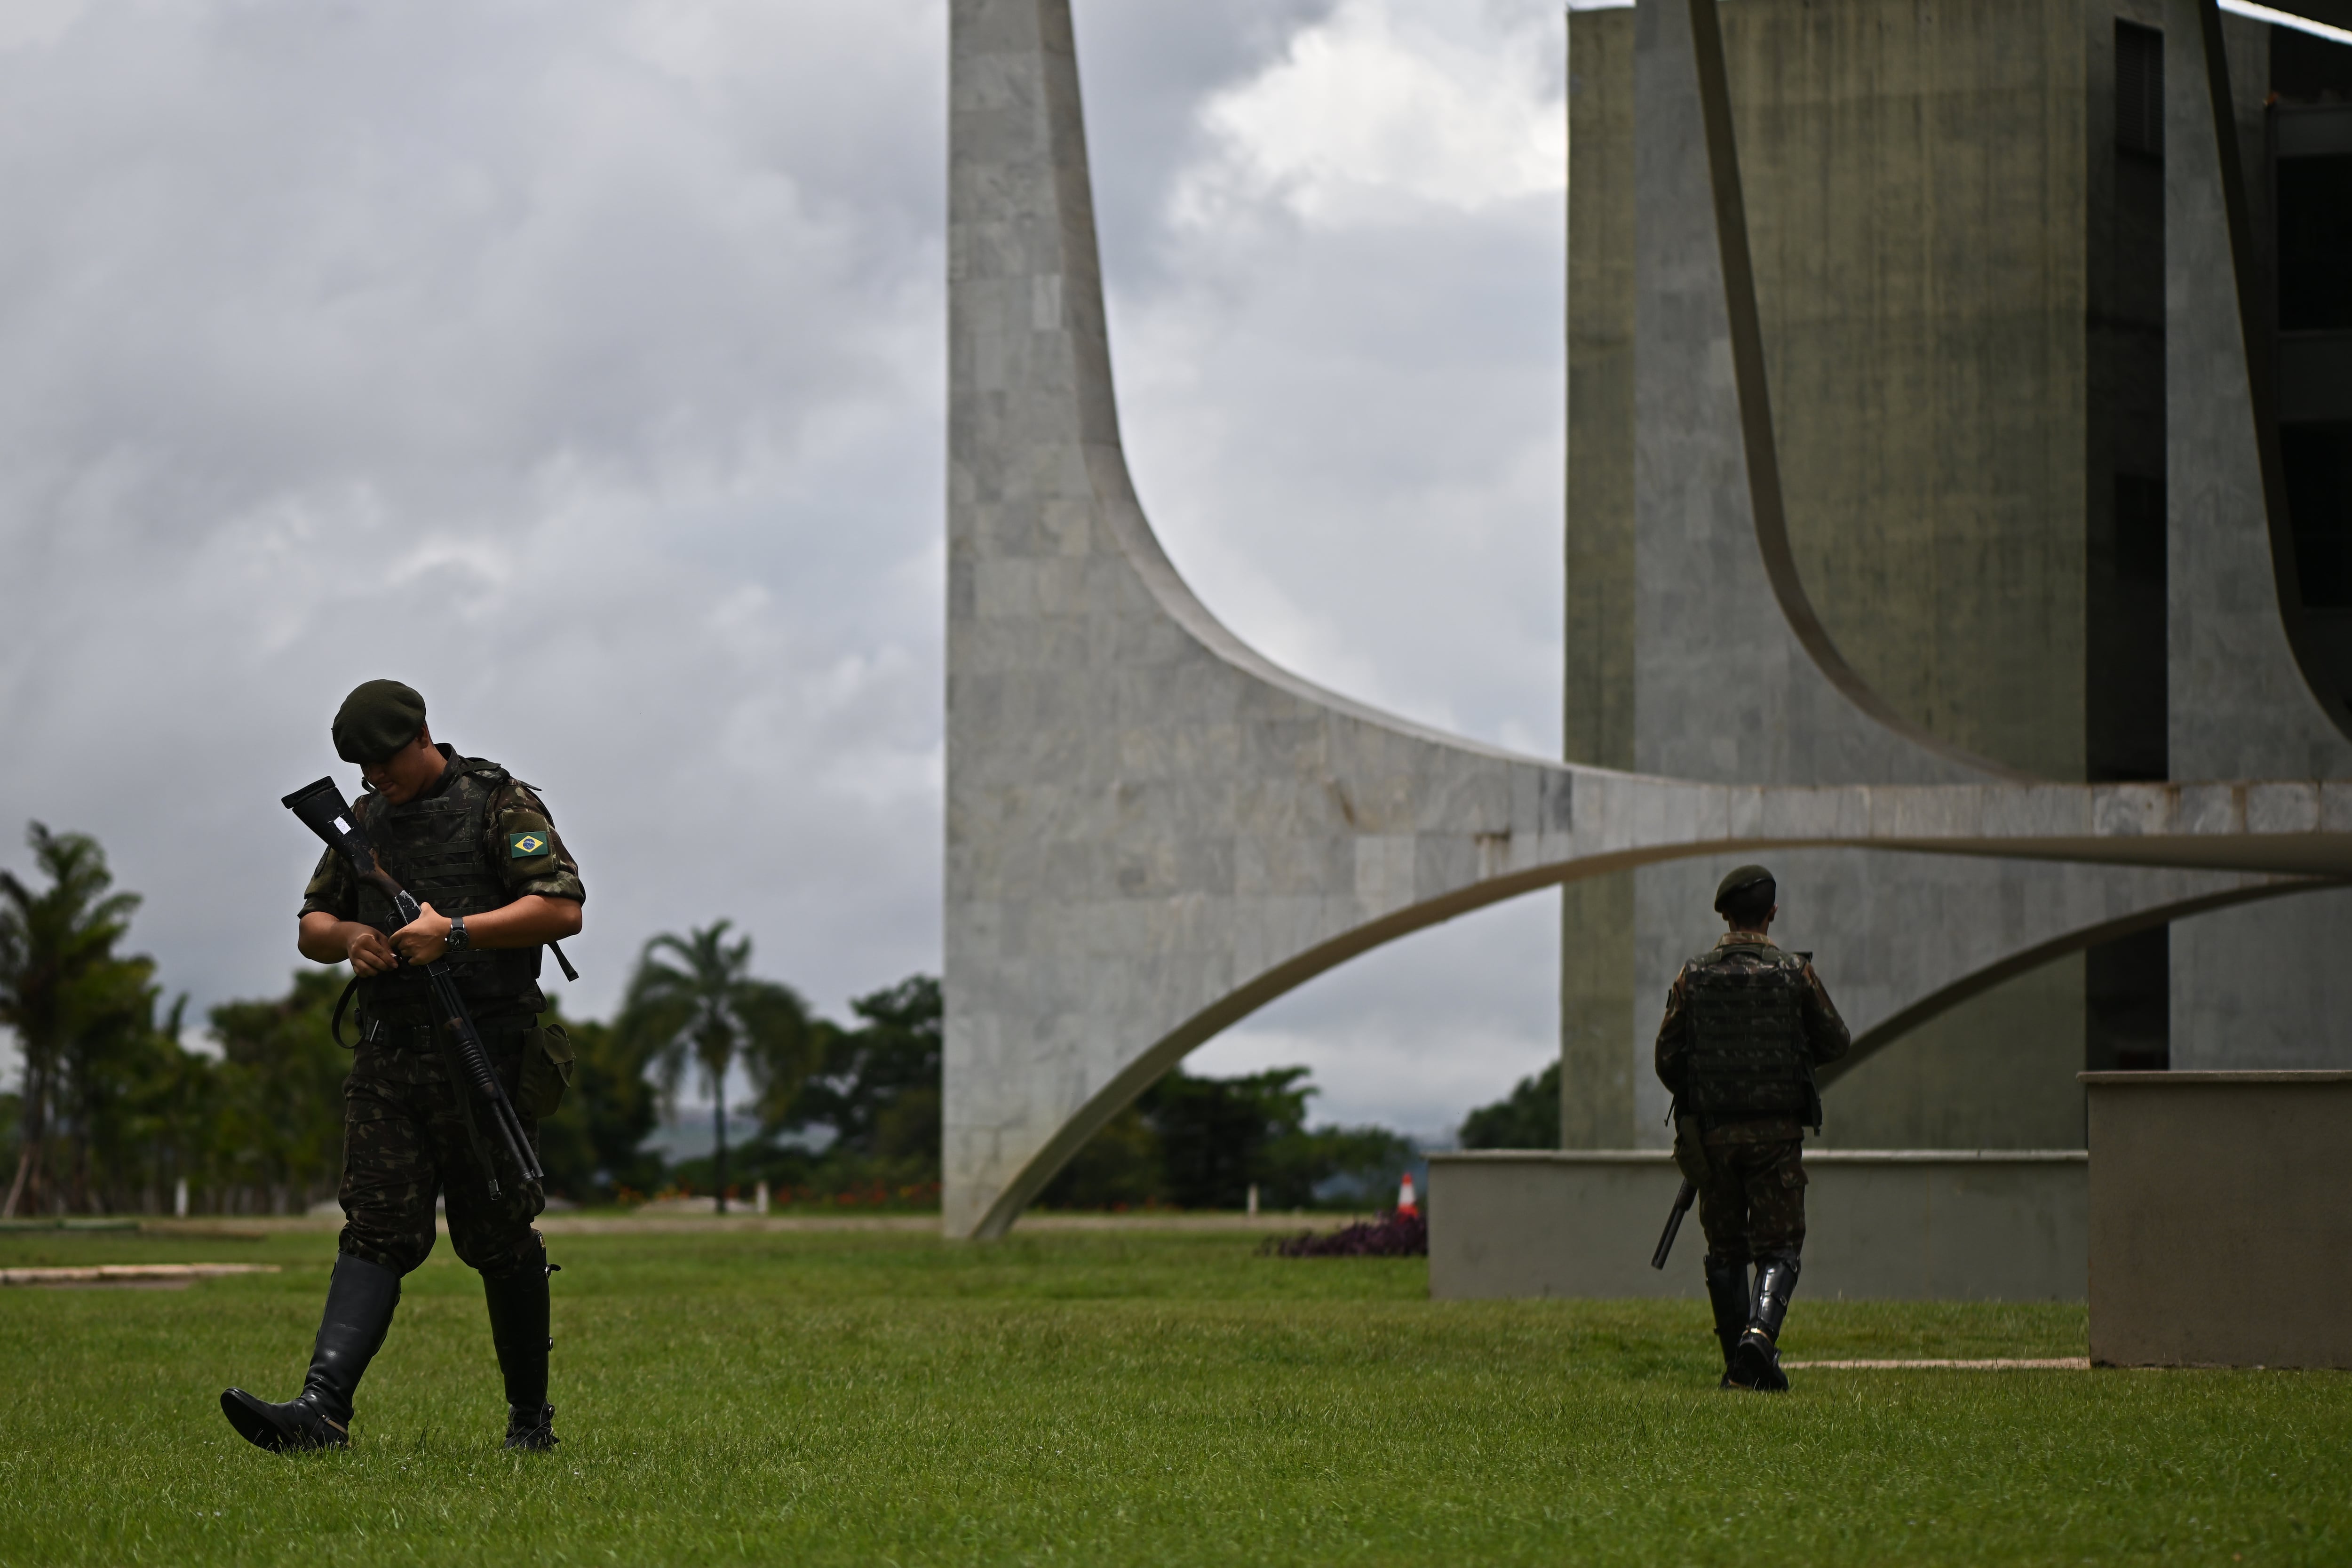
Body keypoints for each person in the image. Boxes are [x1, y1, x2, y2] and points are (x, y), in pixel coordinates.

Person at [221, 679, 585, 1452]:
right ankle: (321, 1412)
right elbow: (311, 924)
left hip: (487, 1051)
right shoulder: (365, 824)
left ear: (422, 735)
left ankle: (529, 1420)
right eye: (359, 768)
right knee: (375, 1227)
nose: (372, 780)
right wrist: (351, 934)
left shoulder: (500, 803)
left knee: (498, 1235)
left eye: (382, 762)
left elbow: (561, 909)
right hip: (391, 1055)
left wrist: (453, 932)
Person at [1653, 864, 1848, 1392]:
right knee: (1779, 1247)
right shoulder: (1793, 973)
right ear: (1771, 914)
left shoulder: (1692, 975)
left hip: (1714, 1138)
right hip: (1775, 1137)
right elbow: (1836, 1040)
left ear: (1723, 914)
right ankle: (1758, 1341)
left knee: (1725, 1251)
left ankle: (1739, 1367)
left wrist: (1705, 1091)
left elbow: (1666, 1059)